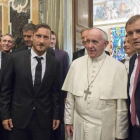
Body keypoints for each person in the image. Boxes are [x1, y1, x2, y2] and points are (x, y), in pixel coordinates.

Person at [62, 28, 128, 140]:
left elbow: (121, 107)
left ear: (105, 44)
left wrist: (120, 134)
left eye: (95, 42)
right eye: (87, 41)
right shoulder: (76, 64)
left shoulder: (118, 68)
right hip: (79, 123)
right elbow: (70, 97)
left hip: (105, 127)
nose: (90, 46)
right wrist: (68, 121)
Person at [0, 23, 60, 140]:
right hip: (17, 119)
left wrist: (57, 115)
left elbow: (55, 92)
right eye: (38, 36)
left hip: (43, 119)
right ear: (32, 37)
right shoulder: (15, 59)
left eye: (45, 37)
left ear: (50, 40)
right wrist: (5, 115)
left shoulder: (54, 63)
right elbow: (6, 90)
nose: (41, 41)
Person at [50, 31, 69, 140]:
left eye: (54, 39)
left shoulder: (62, 54)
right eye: (50, 38)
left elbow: (66, 74)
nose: (52, 41)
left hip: (59, 92)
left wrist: (65, 94)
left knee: (58, 120)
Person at [125, 14, 140, 140]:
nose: (134, 36)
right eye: (130, 33)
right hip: (134, 128)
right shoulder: (133, 60)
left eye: (138, 31)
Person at [0, 37, 9, 140]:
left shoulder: (11, 59)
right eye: (4, 41)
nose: (6, 43)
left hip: (5, 108)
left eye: (9, 41)